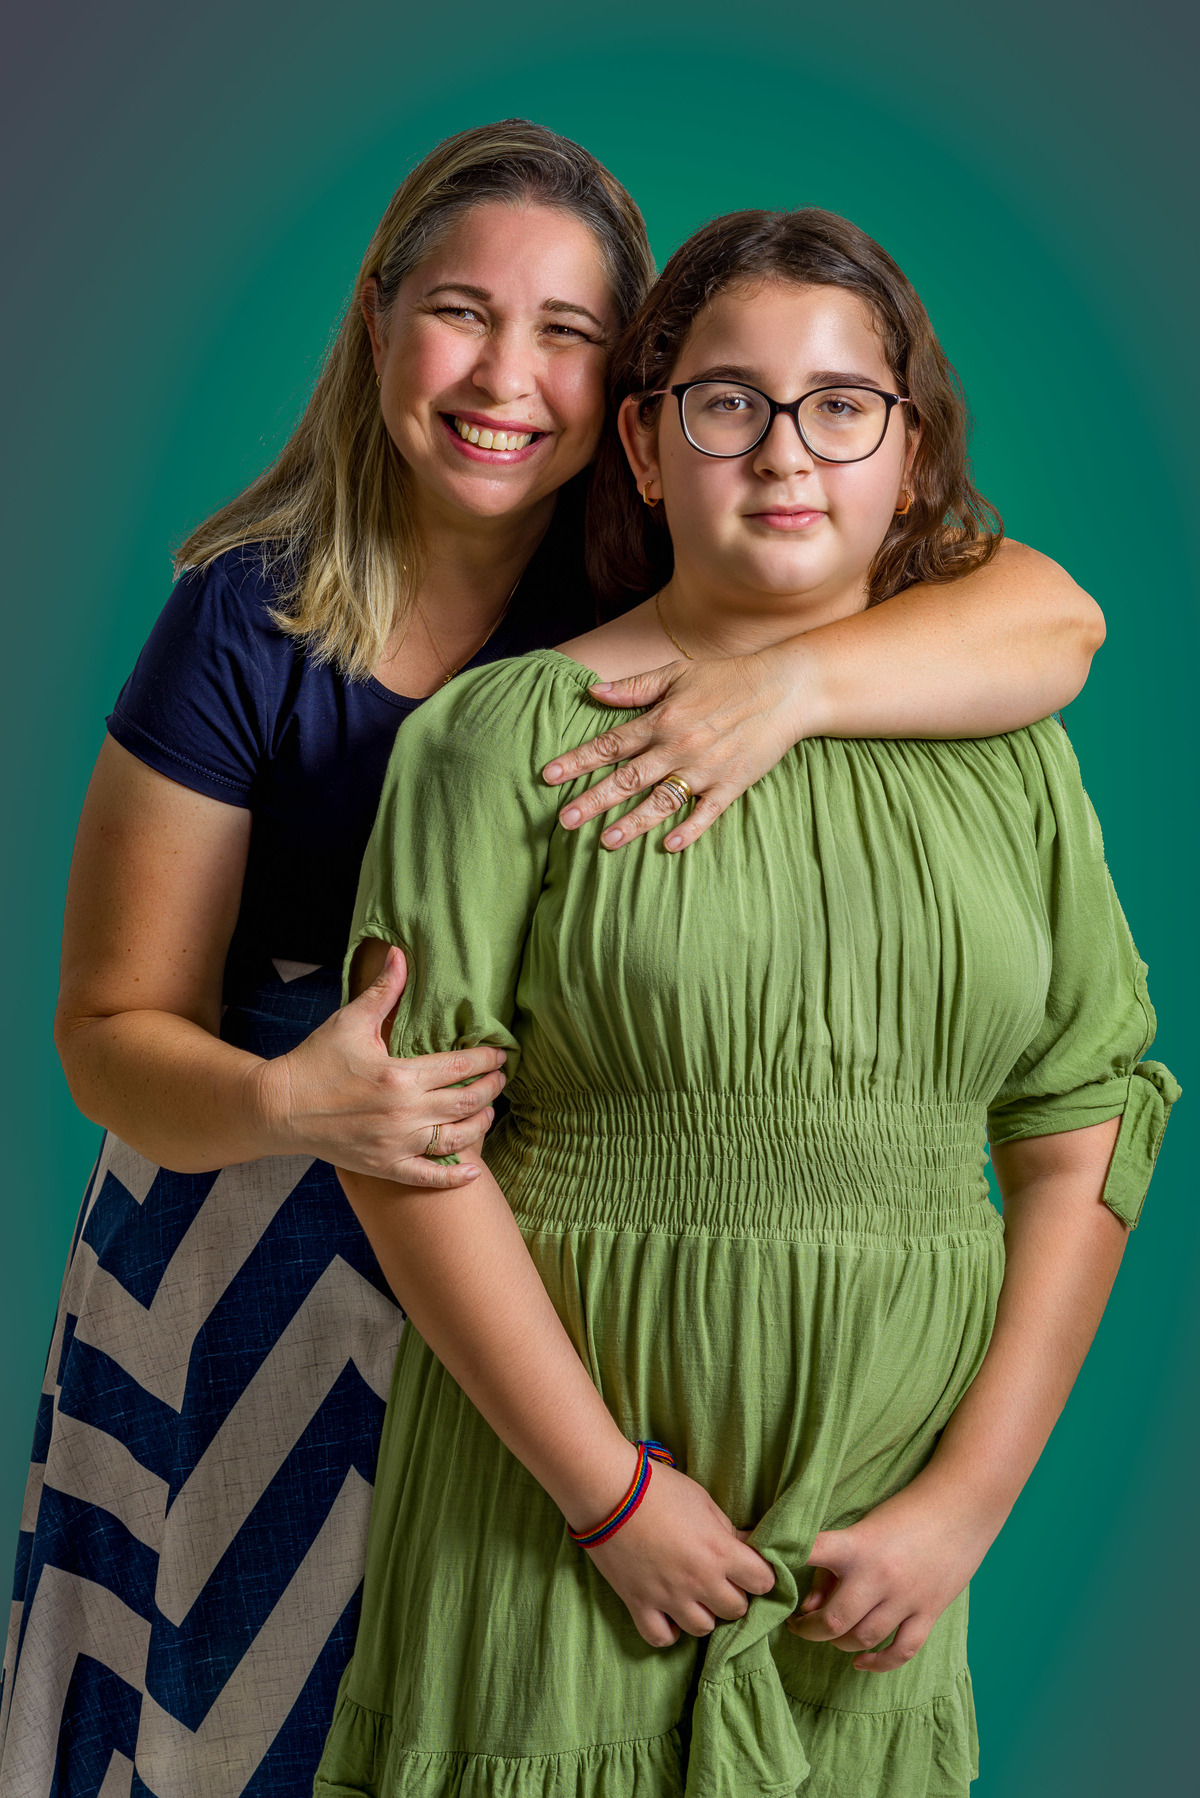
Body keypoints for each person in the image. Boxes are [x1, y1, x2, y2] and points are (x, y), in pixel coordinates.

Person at [1, 116, 1103, 1798]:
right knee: (244, 1707)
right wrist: (296, 1103)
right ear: (376, 323)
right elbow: (104, 1024)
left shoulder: (683, 579)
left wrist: (791, 683)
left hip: (548, 1277)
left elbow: (1055, 619)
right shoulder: (263, 619)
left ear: (628, 404)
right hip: (271, 1194)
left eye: (572, 333)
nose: (506, 373)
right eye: (459, 310)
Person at [315, 206, 1178, 1798]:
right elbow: (398, 1137)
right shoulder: (500, 739)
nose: (787, 453)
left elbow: (1085, 1123)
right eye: (729, 403)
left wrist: (965, 1504)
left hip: (877, 1554)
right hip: (552, 1516)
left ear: (910, 458)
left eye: (843, 406)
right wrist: (608, 1495)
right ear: (644, 446)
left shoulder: (1014, 754)